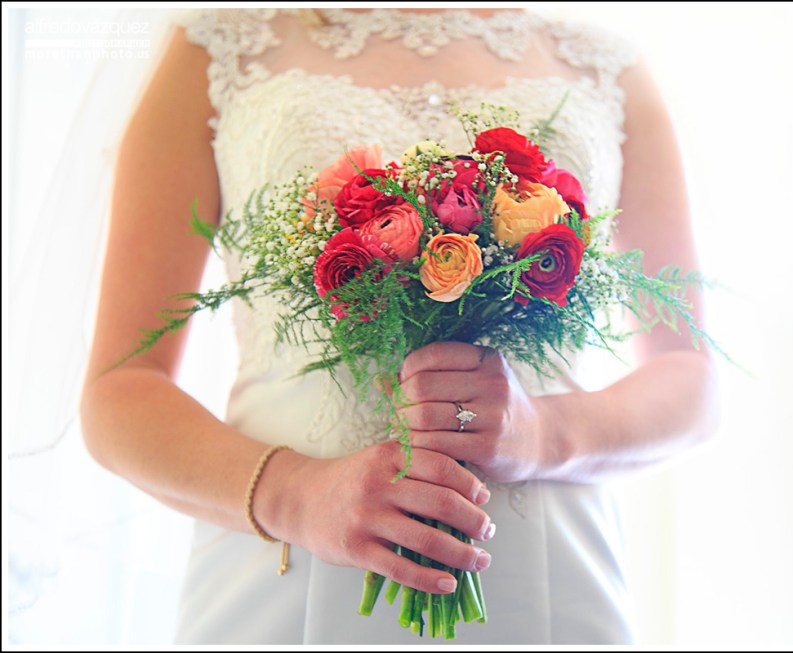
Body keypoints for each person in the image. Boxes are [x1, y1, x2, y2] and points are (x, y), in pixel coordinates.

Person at [79, 7, 718, 645]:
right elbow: (120, 389)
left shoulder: (604, 67)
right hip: (284, 568)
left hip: (545, 564)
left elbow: (688, 378)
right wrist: (294, 496)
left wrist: (544, 432)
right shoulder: (221, 48)